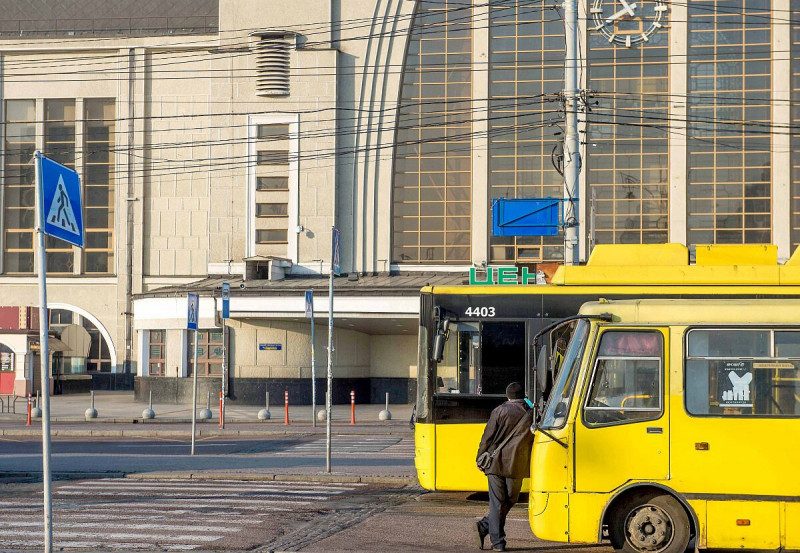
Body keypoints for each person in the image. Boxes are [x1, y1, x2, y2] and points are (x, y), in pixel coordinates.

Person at [474, 382, 535, 551]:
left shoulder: (499, 411)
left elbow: (487, 437)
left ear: (507, 396)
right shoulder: (533, 414)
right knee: (508, 500)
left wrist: (479, 457)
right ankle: (498, 542)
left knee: (499, 503)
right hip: (517, 464)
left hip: (495, 463)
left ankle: (485, 526)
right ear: (523, 395)